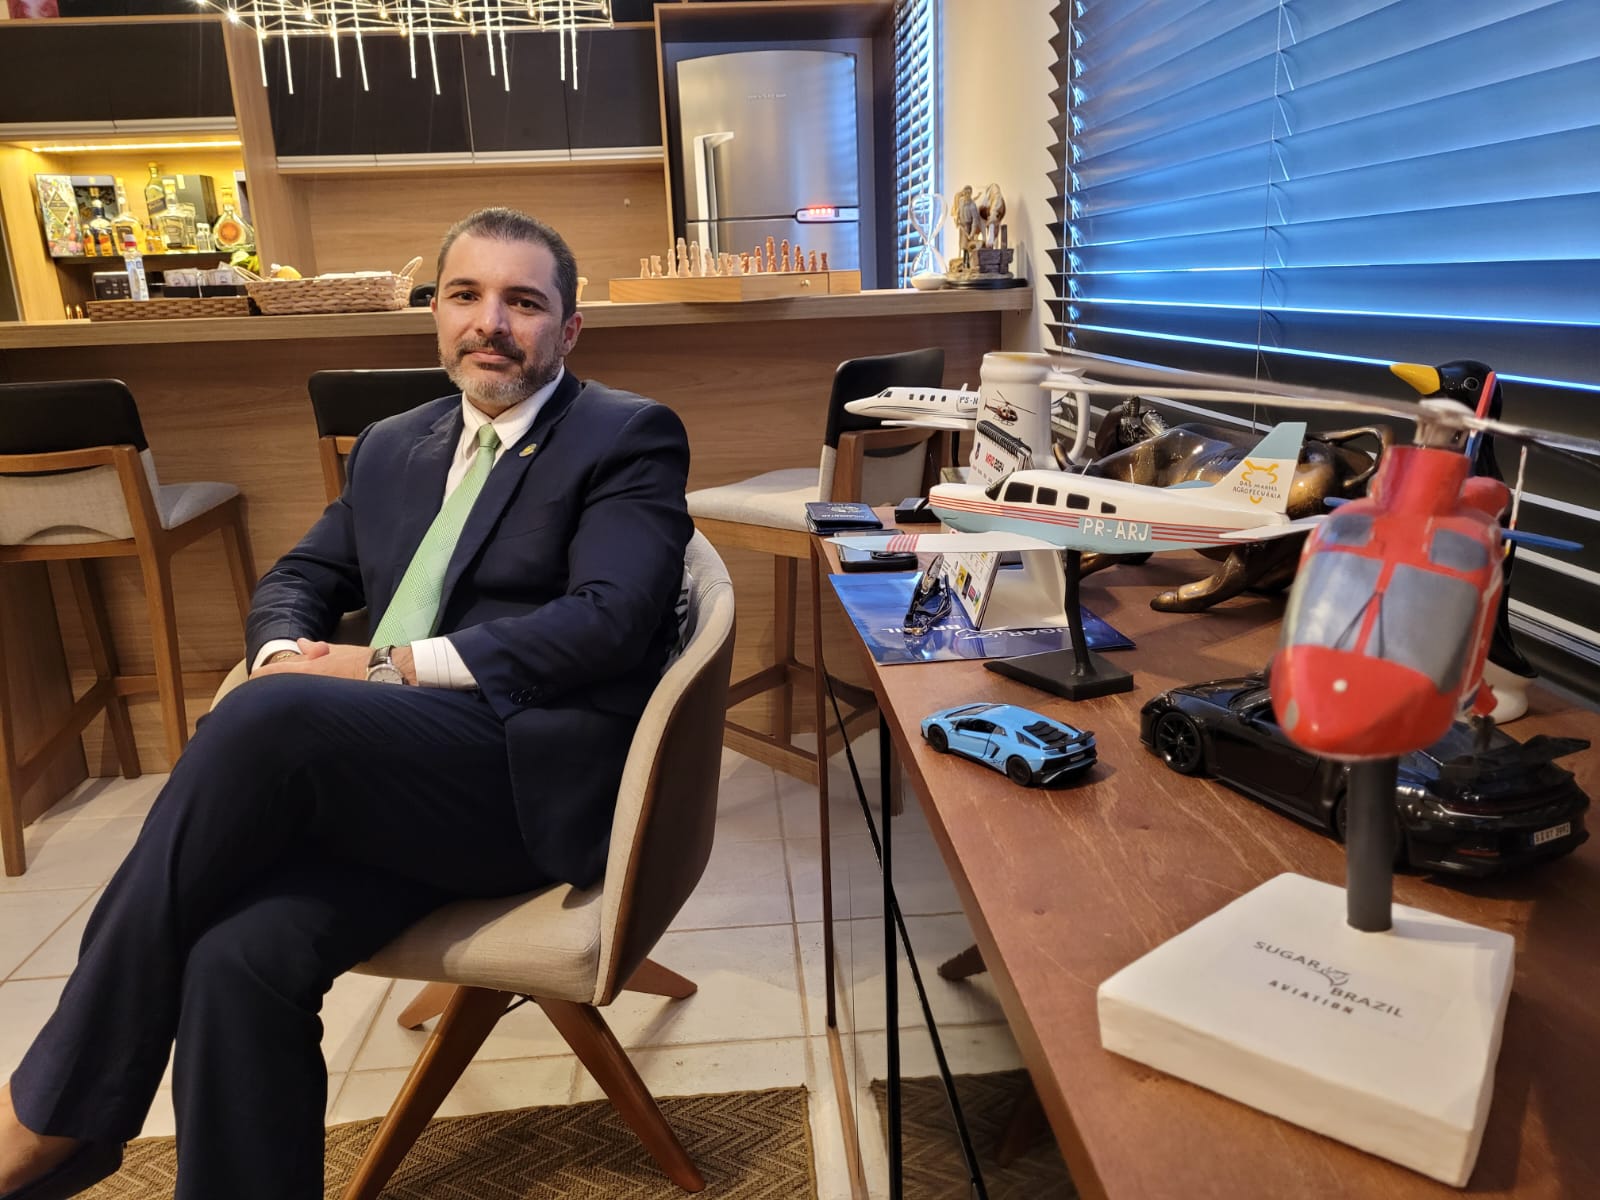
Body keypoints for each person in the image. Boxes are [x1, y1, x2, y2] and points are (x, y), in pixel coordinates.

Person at [0, 207, 694, 1200]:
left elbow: (609, 622)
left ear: (569, 329)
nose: (490, 323)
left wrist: (382, 669)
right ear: (435, 313)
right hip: (383, 787)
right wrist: (288, 651)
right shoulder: (393, 444)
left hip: (517, 786)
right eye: (465, 295)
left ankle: (52, 1115)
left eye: (524, 302)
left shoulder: (624, 436)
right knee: (234, 955)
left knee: (268, 716)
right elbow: (300, 576)